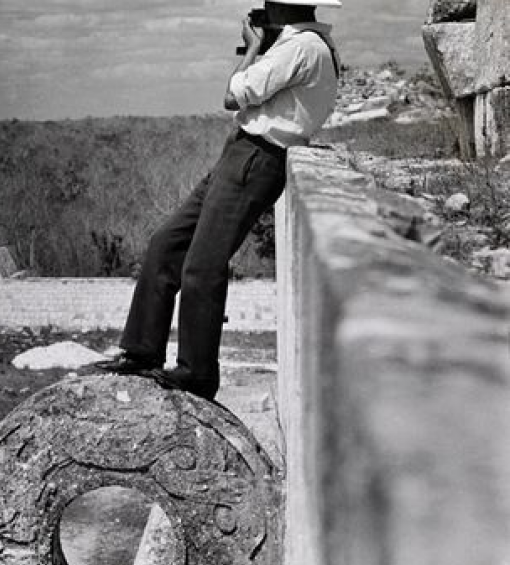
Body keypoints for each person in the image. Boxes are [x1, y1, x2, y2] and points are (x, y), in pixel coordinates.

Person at [97, 0, 342, 400]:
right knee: (166, 242)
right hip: (243, 153)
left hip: (257, 157)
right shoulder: (307, 46)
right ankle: (142, 350)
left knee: (203, 264)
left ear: (280, 7)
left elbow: (233, 95)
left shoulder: (302, 48)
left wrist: (251, 47)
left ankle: (197, 373)